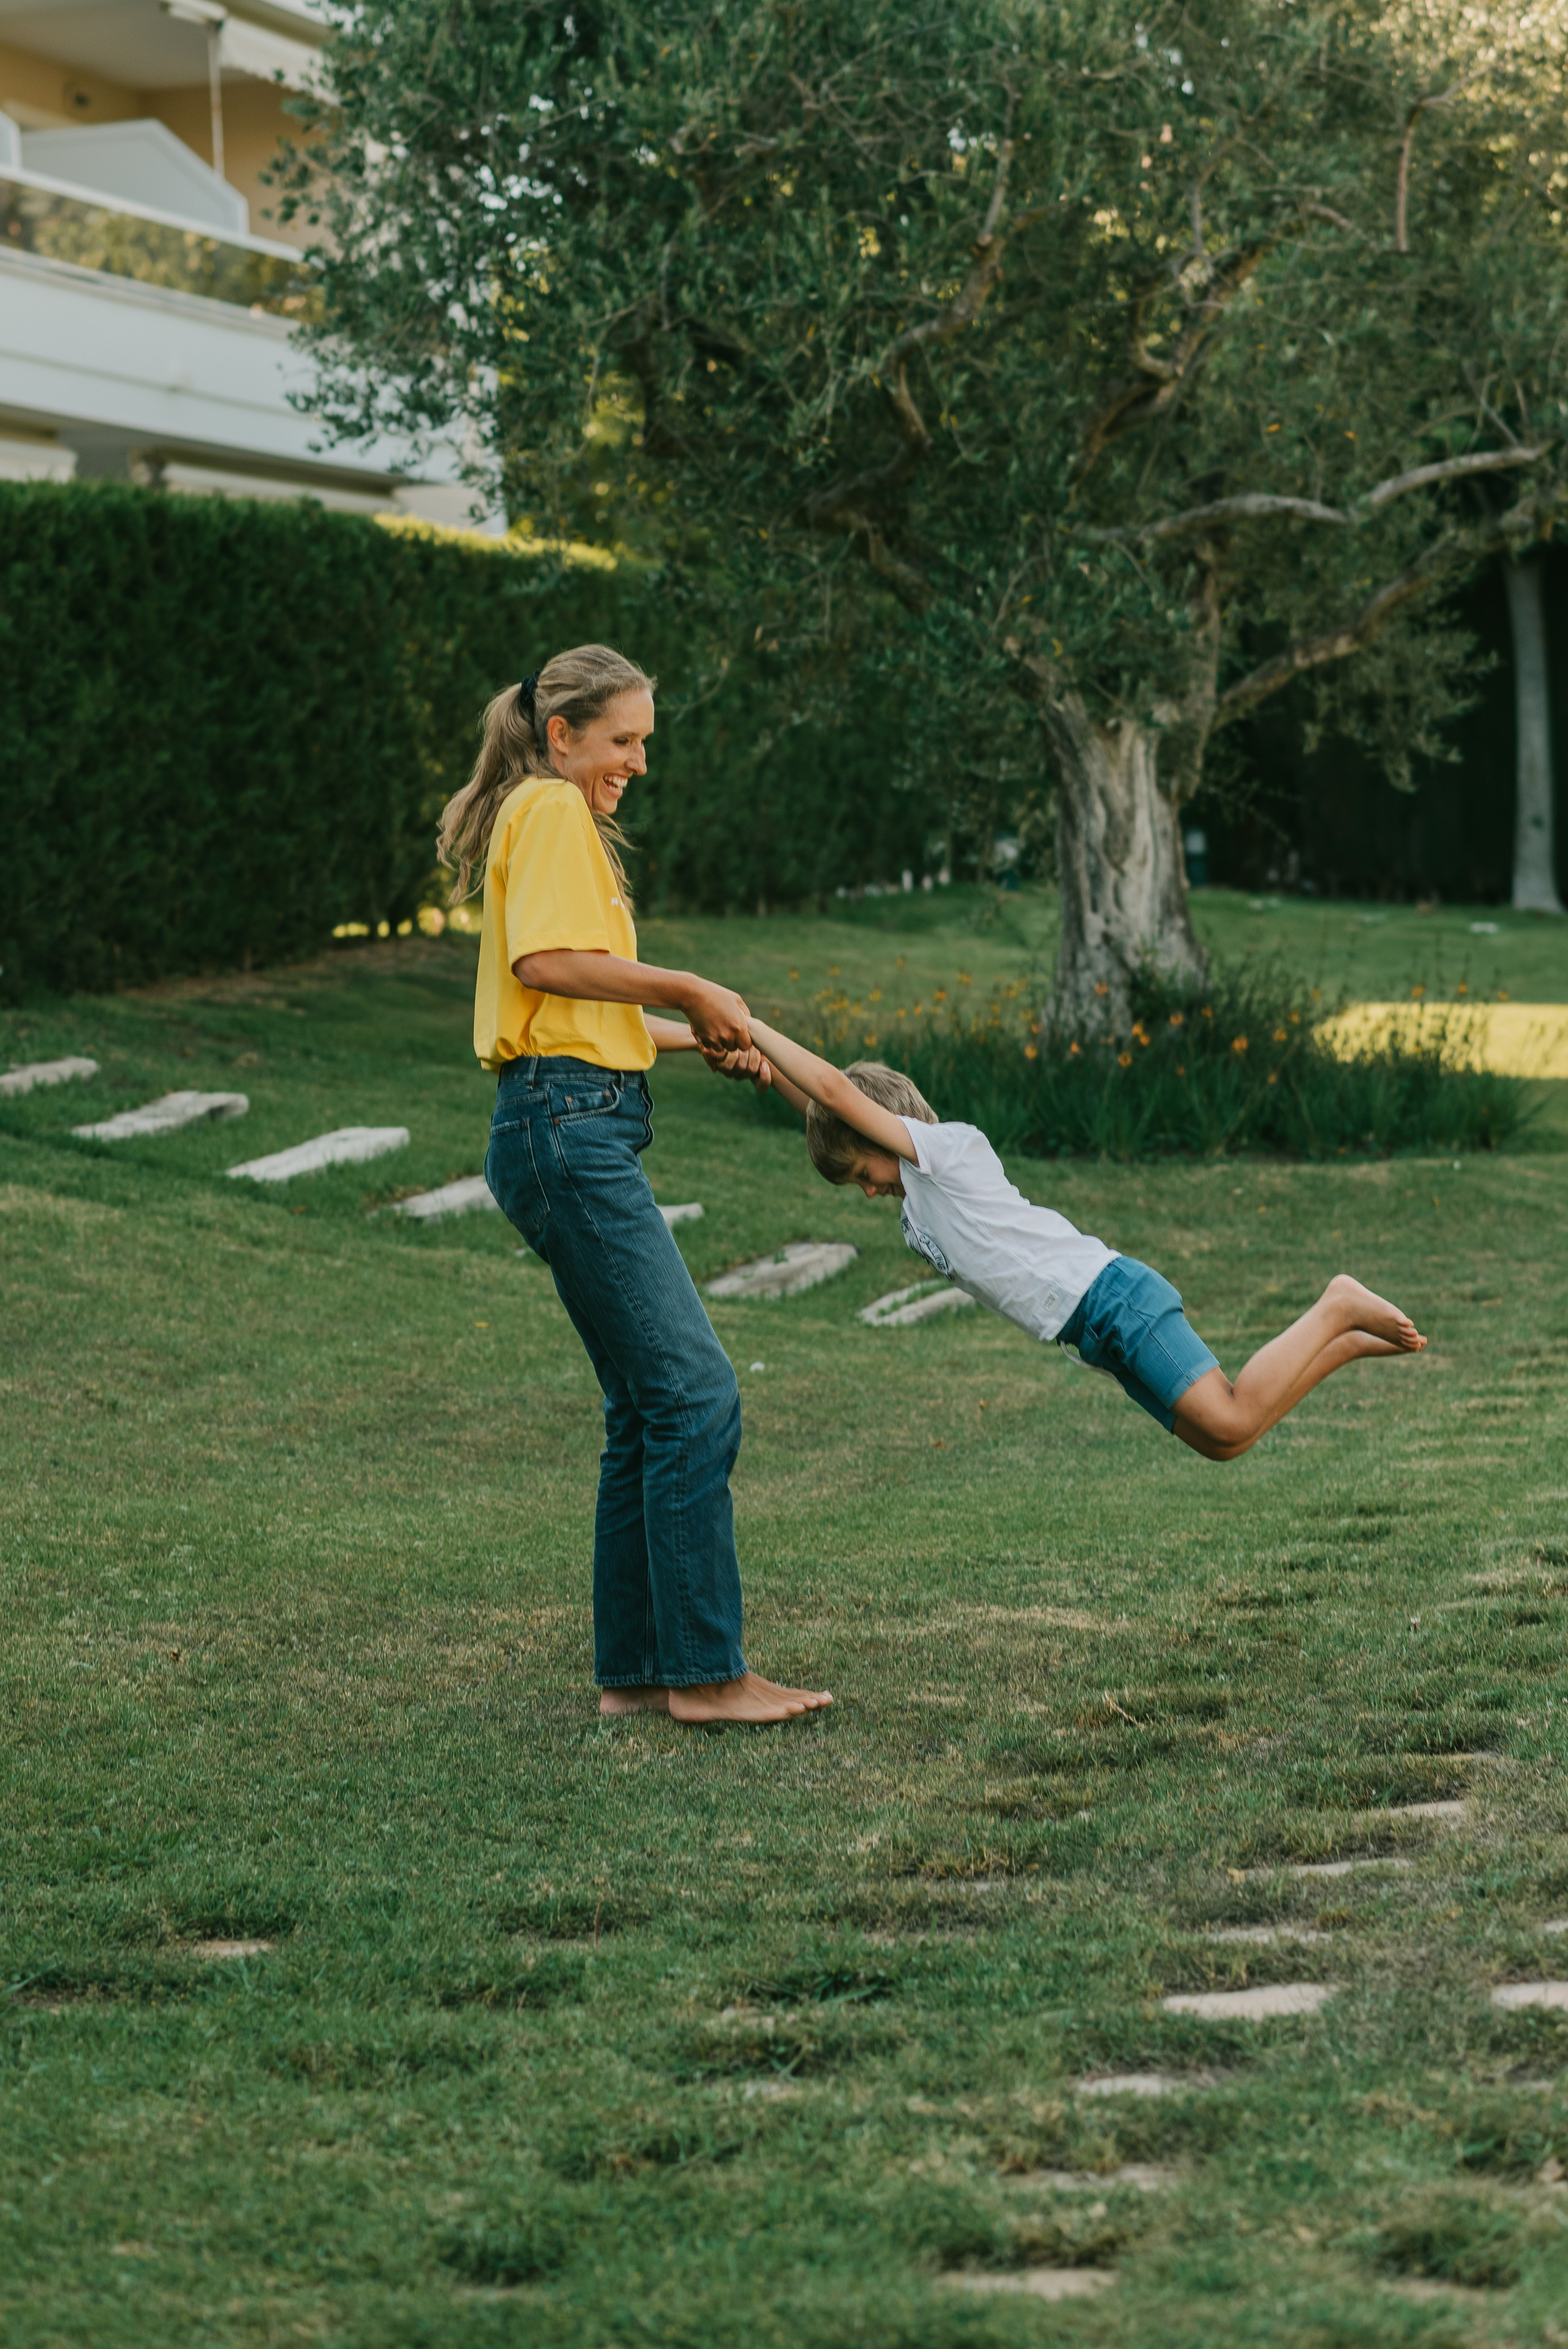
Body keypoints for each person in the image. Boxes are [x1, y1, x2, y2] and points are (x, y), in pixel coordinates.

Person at [437, 645, 831, 1722]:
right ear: (563, 734)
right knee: (697, 1392)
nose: (637, 762)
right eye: (623, 740)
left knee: (646, 1407)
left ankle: (638, 1677)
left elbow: (575, 1001)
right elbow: (546, 967)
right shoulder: (552, 811)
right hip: (569, 1126)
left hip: (556, 1115)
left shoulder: (536, 810)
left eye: (644, 742)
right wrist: (693, 982)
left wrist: (690, 1030)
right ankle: (709, 1674)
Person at [733, 1021, 1425, 1459]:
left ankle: (1336, 1306)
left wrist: (751, 1025)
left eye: (863, 1174)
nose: (869, 1190)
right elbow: (825, 1107)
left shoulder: (941, 1156)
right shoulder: (917, 1198)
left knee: (1233, 1417)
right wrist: (769, 1079)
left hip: (1111, 1301)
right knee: (1222, 1440)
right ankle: (1347, 1340)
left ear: (883, 1130)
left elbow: (835, 1090)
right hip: (1091, 1331)